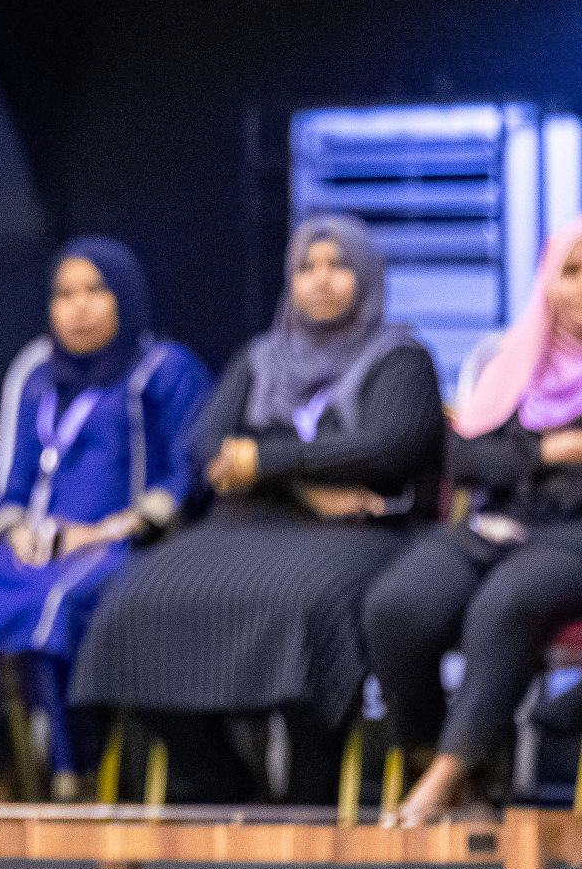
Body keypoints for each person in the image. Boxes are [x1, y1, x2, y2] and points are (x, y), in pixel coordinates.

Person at [72, 213, 444, 805]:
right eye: (306, 267)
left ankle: (310, 802)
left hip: (361, 532)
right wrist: (302, 485)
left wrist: (265, 464)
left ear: (368, 276)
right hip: (246, 527)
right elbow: (206, 449)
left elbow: (386, 448)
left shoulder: (401, 358)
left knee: (307, 614)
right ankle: (231, 791)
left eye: (339, 266)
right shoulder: (262, 357)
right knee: (135, 604)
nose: (321, 281)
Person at [0, 236, 210, 802]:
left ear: (126, 298)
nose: (79, 307)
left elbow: (187, 475)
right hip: (37, 550)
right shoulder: (43, 380)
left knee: (56, 607)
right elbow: (13, 485)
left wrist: (106, 530)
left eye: (96, 291)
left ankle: (76, 775)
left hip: (126, 548)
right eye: (65, 294)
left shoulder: (165, 371)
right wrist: (16, 528)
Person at [365, 217, 582, 825]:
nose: (581, 288)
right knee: (396, 607)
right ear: (547, 283)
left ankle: (443, 780)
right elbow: (465, 455)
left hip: (572, 537)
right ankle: (440, 755)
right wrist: (550, 453)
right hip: (498, 526)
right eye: (570, 272)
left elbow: (494, 458)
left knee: (505, 602)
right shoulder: (515, 362)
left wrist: (520, 464)